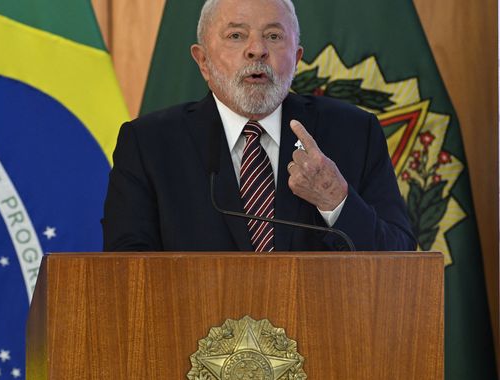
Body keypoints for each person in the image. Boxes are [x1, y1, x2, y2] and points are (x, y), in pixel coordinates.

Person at [102, 0, 415, 252]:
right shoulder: (149, 144)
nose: (257, 50)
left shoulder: (355, 133)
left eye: (274, 36)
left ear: (297, 58)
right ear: (203, 62)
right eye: (236, 35)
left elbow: (401, 260)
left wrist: (335, 199)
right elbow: (127, 275)